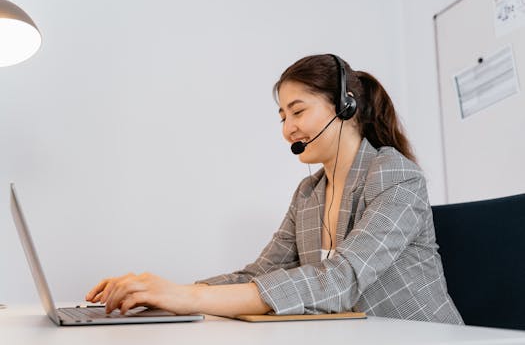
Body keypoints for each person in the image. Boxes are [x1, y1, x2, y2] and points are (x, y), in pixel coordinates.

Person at [86, 54, 464, 324]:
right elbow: (260, 273)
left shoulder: (396, 174)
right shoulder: (308, 193)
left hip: (422, 334)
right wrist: (165, 295)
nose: (287, 129)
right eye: (283, 117)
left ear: (345, 107)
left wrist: (190, 298)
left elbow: (342, 279)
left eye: (298, 112)